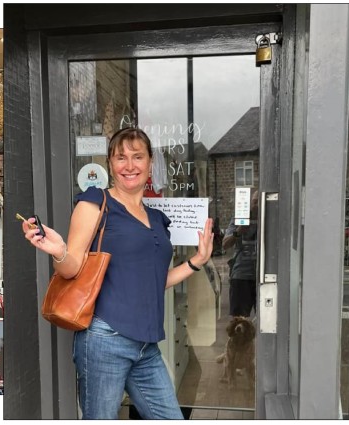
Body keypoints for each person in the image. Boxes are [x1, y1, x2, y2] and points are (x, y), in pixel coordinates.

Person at [23, 127, 214, 419]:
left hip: (146, 345)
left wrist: (196, 262)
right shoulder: (95, 202)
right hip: (105, 339)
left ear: (150, 163)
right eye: (120, 157)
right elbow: (72, 266)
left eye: (138, 157)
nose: (129, 165)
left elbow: (153, 282)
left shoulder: (156, 218)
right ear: (111, 164)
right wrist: (59, 250)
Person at [222, 188, 260, 317]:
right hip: (241, 274)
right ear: (249, 203)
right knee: (239, 320)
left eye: (260, 202)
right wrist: (238, 231)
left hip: (264, 275)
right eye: (255, 201)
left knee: (267, 320)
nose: (257, 205)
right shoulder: (239, 218)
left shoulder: (270, 219)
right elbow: (225, 244)